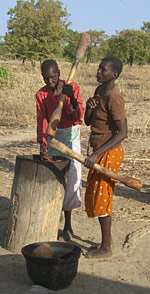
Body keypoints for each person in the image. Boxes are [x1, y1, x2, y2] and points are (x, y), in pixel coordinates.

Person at [35, 59, 84, 241]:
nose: (50, 81)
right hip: (53, 138)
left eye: (53, 77)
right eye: (46, 78)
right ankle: (54, 217)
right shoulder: (41, 94)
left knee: (72, 179)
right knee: (55, 179)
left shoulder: (73, 88)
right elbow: (42, 119)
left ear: (59, 73)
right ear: (42, 77)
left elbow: (79, 115)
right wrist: (43, 141)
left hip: (71, 136)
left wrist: (71, 99)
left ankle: (68, 226)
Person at [84, 56, 127, 258]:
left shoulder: (113, 97)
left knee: (103, 199)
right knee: (98, 197)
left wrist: (98, 153)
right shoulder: (99, 92)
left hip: (109, 152)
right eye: (99, 68)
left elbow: (122, 133)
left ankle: (106, 248)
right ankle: (104, 243)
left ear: (114, 75)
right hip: (98, 150)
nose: (99, 71)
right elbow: (87, 122)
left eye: (103, 69)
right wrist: (89, 107)